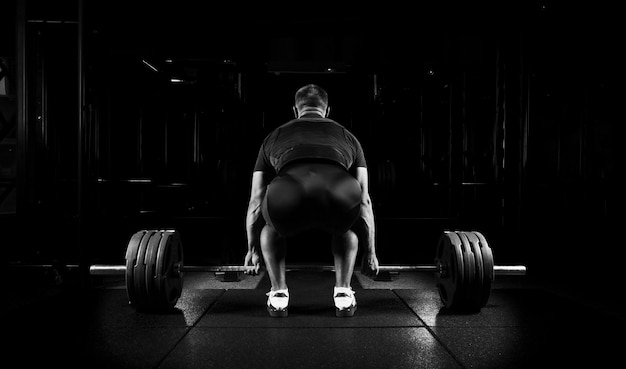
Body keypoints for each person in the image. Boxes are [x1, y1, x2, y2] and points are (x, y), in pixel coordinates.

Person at [244, 84, 379, 317]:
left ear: (295, 110)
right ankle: (344, 295)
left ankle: (278, 296)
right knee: (347, 229)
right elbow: (364, 200)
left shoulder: (273, 136)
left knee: (270, 229)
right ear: (327, 110)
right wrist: (371, 252)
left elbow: (256, 200)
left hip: (288, 193)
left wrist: (253, 250)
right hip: (337, 193)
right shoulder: (349, 137)